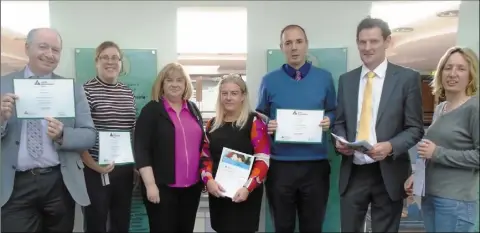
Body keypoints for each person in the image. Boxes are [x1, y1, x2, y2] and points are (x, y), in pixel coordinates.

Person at [333, 17, 424, 232]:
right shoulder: (346, 80)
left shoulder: (407, 79)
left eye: (373, 41)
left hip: (389, 171)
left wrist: (391, 146)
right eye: (362, 42)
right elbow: (339, 123)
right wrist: (340, 140)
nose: (367, 47)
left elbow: (415, 128)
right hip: (353, 172)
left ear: (387, 41)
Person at [0, 28, 96, 232]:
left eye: (56, 49)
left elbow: (89, 135)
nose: (50, 54)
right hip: (15, 185)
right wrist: (1, 120)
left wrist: (63, 135)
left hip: (59, 183)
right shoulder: (3, 85)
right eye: (43, 47)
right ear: (27, 48)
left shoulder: (72, 89)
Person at [256, 24, 336, 232]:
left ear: (306, 45)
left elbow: (334, 111)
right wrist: (267, 124)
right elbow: (259, 117)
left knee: (313, 226)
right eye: (288, 43)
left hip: (315, 166)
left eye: (299, 42)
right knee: (283, 226)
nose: (294, 47)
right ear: (281, 47)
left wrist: (329, 119)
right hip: (280, 167)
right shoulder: (269, 80)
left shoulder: (325, 78)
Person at [404, 46, 479, 232]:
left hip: (456, 202)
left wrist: (438, 153)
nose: (453, 73)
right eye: (448, 67)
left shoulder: (474, 108)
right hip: (431, 196)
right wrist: (417, 177)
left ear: (471, 74)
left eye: (461, 68)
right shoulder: (441, 108)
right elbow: (428, 152)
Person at [133, 62, 204, 233]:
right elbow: (141, 149)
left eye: (179, 80)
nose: (175, 84)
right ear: (162, 84)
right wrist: (150, 184)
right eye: (169, 80)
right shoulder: (151, 110)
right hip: (162, 188)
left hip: (192, 188)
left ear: (185, 84)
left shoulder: (193, 109)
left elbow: (202, 145)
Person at [200, 74, 270, 233]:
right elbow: (205, 157)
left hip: (245, 194)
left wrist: (247, 188)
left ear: (243, 96)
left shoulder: (254, 122)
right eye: (224, 93)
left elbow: (263, 160)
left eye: (234, 93)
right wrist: (208, 181)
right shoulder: (212, 123)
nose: (228, 98)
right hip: (218, 192)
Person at [81, 41, 137, 233]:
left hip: (124, 170)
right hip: (95, 170)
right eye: (105, 57)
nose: (110, 62)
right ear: (97, 61)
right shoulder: (85, 90)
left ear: (121, 63)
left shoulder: (127, 92)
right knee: (96, 223)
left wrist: (136, 166)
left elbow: (132, 130)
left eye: (115, 58)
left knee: (121, 223)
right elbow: (80, 134)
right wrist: (94, 166)